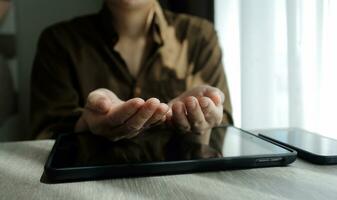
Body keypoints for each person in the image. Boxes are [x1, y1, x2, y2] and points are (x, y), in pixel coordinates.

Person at [30, 0, 233, 140]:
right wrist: (85, 122)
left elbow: (226, 129)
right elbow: (44, 132)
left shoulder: (199, 37)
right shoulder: (59, 42)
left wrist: (205, 118)